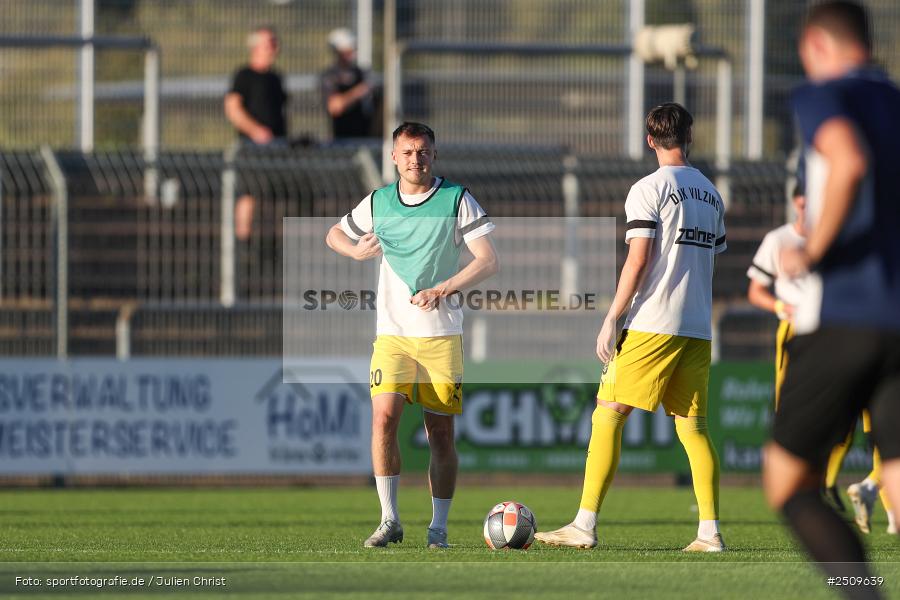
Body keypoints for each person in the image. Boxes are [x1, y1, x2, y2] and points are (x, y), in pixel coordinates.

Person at [536, 103, 727, 552]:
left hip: (654, 322)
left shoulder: (648, 188)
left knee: (608, 411)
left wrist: (612, 317)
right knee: (693, 429)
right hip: (697, 325)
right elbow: (709, 257)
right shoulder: (712, 193)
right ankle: (709, 532)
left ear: (649, 140)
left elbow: (639, 259)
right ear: (690, 136)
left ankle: (583, 525)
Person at [763, 0, 900, 589]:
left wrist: (812, 249)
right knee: (894, 471)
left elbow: (846, 160)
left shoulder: (824, 94)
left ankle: (860, 592)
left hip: (846, 315)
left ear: (816, 45)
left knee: (787, 482)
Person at [325, 122, 498, 548]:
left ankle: (438, 528)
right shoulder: (380, 201)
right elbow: (333, 234)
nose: (415, 160)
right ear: (393, 157)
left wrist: (444, 288)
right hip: (393, 336)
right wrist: (353, 249)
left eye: (422, 152)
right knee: (384, 418)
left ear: (433, 155)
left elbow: (488, 261)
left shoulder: (456, 198)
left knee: (439, 432)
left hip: (441, 336)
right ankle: (389, 519)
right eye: (406, 152)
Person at [224, 26, 288, 241]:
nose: (273, 46)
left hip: (276, 147)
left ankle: (268, 245)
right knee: (250, 193)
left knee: (273, 194)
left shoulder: (276, 78)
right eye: (268, 41)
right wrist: (255, 131)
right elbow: (232, 108)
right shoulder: (244, 75)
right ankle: (243, 241)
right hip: (251, 148)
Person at [320, 28, 376, 139]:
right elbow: (335, 106)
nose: (352, 54)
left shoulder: (360, 73)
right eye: (347, 51)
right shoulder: (330, 75)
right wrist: (358, 91)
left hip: (365, 136)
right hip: (341, 138)